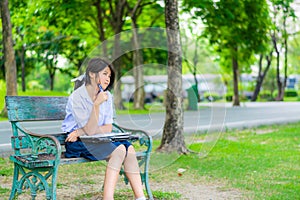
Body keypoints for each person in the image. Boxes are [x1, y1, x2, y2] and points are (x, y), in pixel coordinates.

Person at [61, 57, 146, 200]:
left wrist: (81, 131)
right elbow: (90, 130)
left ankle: (140, 197)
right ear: (92, 74)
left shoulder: (107, 96)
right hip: (76, 142)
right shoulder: (78, 97)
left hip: (96, 138)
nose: (108, 79)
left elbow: (107, 127)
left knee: (129, 149)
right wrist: (96, 105)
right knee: (119, 151)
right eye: (104, 74)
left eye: (109, 76)